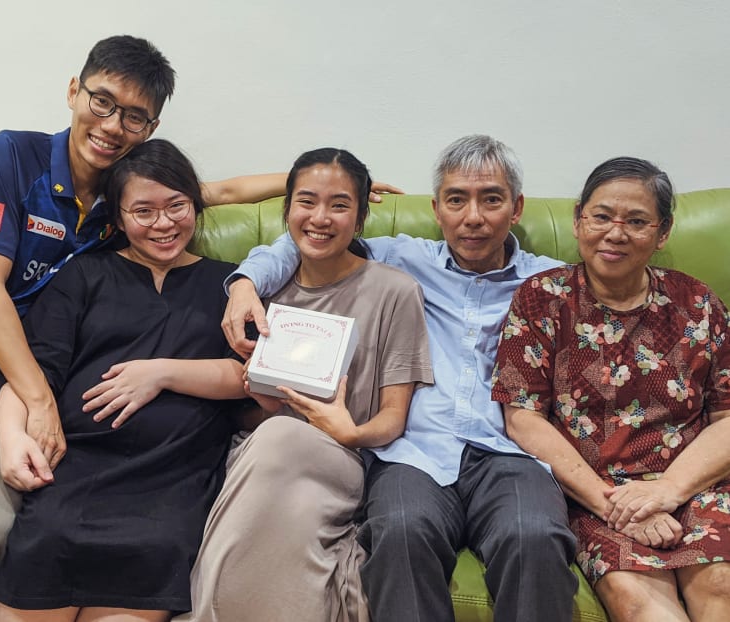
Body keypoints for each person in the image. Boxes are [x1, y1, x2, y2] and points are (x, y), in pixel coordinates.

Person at [0, 34, 301, 622]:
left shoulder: (123, 204)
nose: (113, 125)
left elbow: (215, 192)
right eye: (103, 102)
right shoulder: (11, 156)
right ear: (74, 91)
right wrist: (38, 400)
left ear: (151, 125)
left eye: (134, 117)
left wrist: (322, 182)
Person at [221, 135, 579, 622]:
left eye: (490, 199)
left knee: (534, 535)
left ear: (515, 208)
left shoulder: (553, 283)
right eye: (457, 200)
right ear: (437, 208)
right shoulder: (401, 259)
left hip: (510, 455)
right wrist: (245, 281)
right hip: (413, 453)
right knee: (400, 531)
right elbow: (310, 238)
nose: (472, 216)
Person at [0, 138, 248, 621]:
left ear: (195, 203)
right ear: (119, 218)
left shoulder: (231, 283)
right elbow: (31, 374)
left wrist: (162, 373)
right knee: (45, 536)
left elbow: (250, 376)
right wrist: (9, 438)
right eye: (143, 212)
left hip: (169, 486)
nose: (164, 223)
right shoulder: (84, 274)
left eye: (177, 206)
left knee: (154, 545)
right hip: (72, 477)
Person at [173, 147, 433, 622]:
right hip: (265, 452)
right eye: (306, 202)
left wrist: (347, 432)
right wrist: (262, 402)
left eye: (338, 205)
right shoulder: (263, 291)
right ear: (287, 209)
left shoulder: (396, 290)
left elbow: (393, 419)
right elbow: (257, 418)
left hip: (344, 456)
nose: (320, 218)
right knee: (274, 441)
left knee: (280, 441)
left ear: (359, 218)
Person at [492, 156, 730, 622]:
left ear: (662, 234)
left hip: (696, 484)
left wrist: (668, 490)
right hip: (599, 496)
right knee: (640, 603)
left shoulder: (696, 302)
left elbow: (728, 416)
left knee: (720, 586)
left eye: (636, 221)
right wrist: (621, 507)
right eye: (601, 216)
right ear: (579, 219)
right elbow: (522, 417)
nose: (615, 233)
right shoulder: (543, 298)